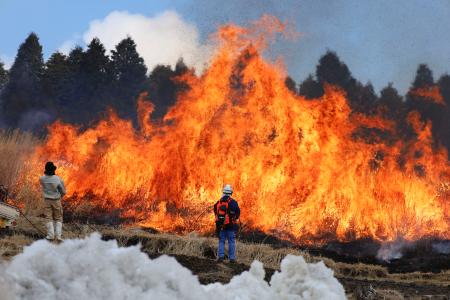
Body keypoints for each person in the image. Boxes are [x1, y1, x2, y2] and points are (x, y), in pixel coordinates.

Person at [39, 161, 66, 241]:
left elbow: (43, 186)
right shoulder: (58, 179)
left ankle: (50, 235)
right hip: (56, 200)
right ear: (53, 170)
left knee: (48, 217)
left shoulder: (42, 179)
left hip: (47, 200)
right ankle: (58, 236)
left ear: (46, 170)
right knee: (58, 218)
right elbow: (63, 191)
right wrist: (60, 196)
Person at [214, 184, 240, 263]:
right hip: (231, 226)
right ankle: (232, 258)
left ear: (223, 192)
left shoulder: (218, 202)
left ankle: (220, 257)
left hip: (221, 226)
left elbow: (215, 213)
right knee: (231, 241)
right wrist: (234, 218)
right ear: (230, 193)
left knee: (221, 241)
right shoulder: (233, 202)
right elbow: (238, 213)